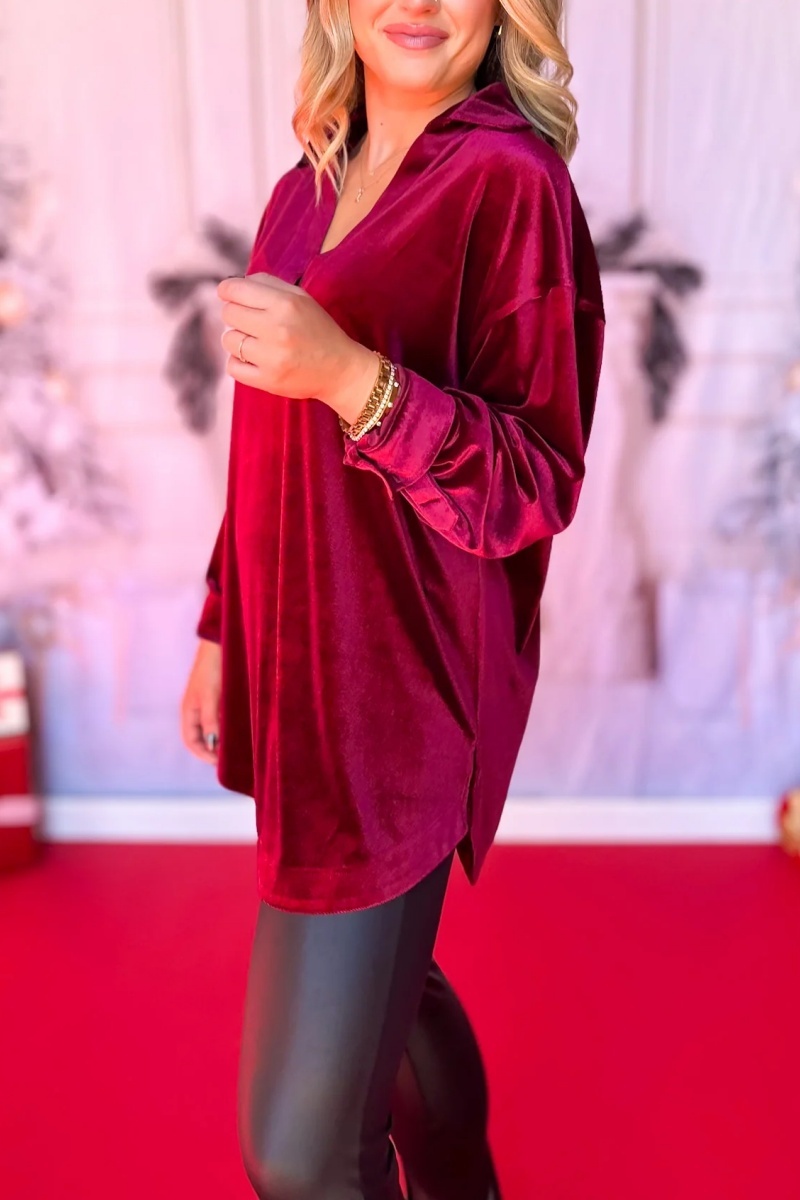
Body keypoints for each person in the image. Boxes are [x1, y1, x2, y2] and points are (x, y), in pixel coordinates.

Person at [180, 1, 605, 1197]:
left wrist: (352, 378)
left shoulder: (508, 184)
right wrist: (222, 623)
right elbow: (267, 447)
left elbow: (534, 482)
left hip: (401, 695)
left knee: (299, 1158)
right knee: (391, 986)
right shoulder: (302, 186)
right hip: (297, 659)